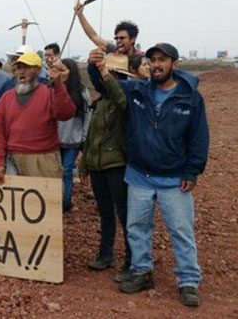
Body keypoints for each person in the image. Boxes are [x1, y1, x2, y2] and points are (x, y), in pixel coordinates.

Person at [91, 43, 209, 307]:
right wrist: (97, 66)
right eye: (153, 59)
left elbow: (199, 137)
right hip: (139, 176)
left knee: (180, 230)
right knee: (137, 227)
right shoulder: (138, 90)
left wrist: (193, 169)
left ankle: (188, 281)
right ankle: (142, 271)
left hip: (174, 179)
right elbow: (106, 86)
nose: (156, 64)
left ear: (174, 64)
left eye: (163, 60)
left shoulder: (190, 98)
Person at [82, 52, 147, 281]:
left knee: (125, 214)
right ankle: (106, 253)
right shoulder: (101, 100)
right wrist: (85, 165)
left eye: (110, 73)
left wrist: (105, 74)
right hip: (98, 165)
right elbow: (92, 134)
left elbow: (121, 99)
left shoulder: (126, 96)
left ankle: (132, 260)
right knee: (105, 212)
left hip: (117, 165)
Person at [0, 52, 76, 184]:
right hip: (13, 159)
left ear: (37, 70)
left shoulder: (49, 93)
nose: (21, 72)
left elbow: (66, 113)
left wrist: (58, 85)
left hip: (43, 159)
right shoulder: (6, 98)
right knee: (16, 203)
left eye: (26, 67)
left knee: (47, 202)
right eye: (19, 68)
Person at [58, 59, 91, 211]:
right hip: (55, 140)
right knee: (56, 172)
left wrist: (84, 139)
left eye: (64, 70)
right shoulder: (53, 89)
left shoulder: (81, 91)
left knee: (67, 171)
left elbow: (87, 116)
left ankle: (66, 202)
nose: (61, 74)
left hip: (73, 140)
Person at [74, 0, 142, 60]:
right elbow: (94, 37)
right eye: (116, 38)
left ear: (133, 39)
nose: (118, 41)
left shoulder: (141, 59)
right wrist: (80, 15)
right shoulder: (113, 50)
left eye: (122, 38)